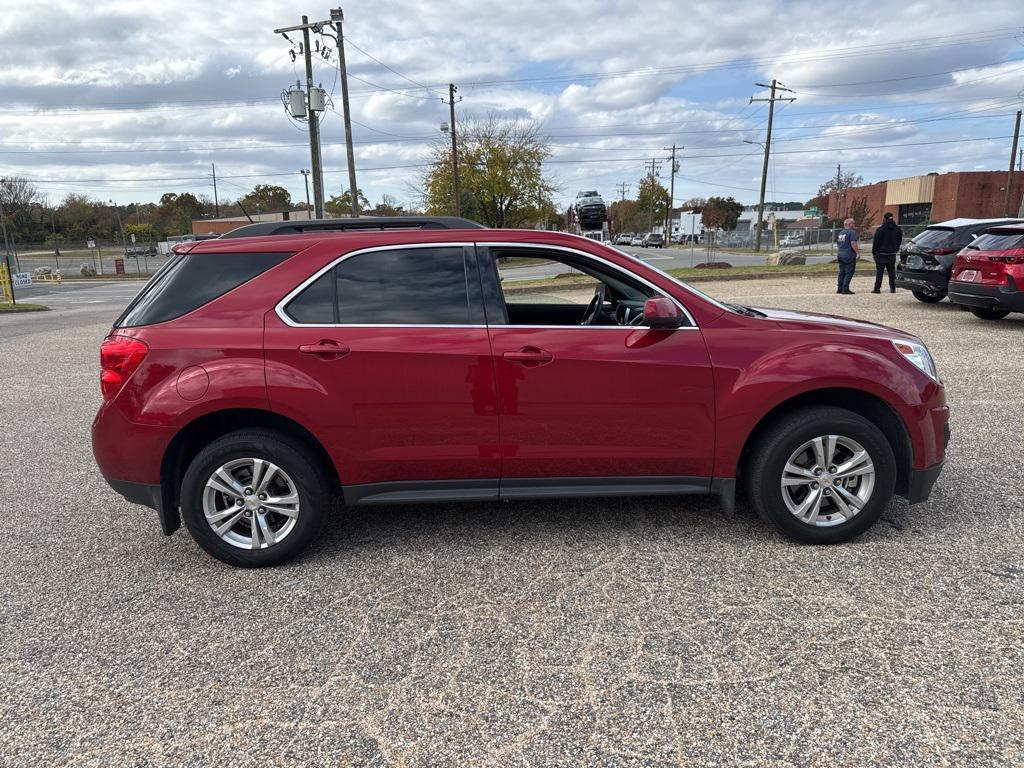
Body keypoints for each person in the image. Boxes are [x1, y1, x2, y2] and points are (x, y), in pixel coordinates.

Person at [871, 212, 903, 293]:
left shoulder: (880, 229)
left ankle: (877, 288)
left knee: (879, 273)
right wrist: (896, 250)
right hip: (892, 253)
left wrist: (874, 253)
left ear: (884, 219)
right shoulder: (898, 229)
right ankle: (893, 288)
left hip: (881, 254)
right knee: (892, 272)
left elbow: (876, 242)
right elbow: (899, 241)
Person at [836, 217, 858, 294]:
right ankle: (845, 288)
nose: (854, 225)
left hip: (841, 254)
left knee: (842, 272)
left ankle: (839, 288)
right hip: (849, 255)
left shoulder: (841, 233)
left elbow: (838, 244)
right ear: (849, 224)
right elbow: (853, 243)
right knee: (849, 272)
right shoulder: (852, 232)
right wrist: (857, 253)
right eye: (853, 223)